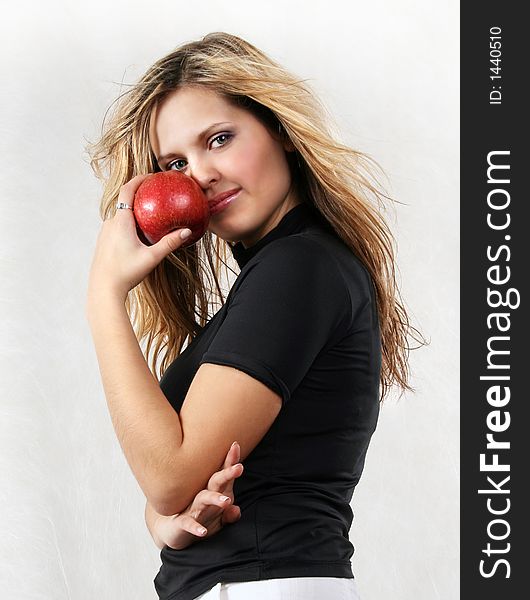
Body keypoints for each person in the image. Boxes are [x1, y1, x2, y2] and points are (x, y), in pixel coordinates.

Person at [85, 32, 426, 600]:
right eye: (175, 162)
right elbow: (174, 494)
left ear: (280, 131)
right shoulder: (283, 273)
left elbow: (170, 475)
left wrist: (103, 295)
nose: (200, 175)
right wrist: (164, 520)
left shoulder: (299, 268)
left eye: (219, 139)